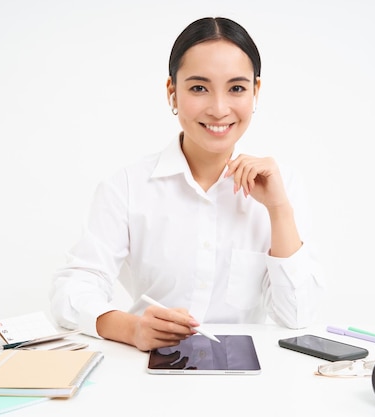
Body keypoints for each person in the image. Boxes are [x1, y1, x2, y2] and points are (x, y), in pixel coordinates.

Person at [50, 16, 324, 352]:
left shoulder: (282, 186)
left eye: (236, 88)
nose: (219, 108)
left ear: (256, 92)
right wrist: (133, 328)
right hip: (147, 371)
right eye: (198, 88)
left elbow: (298, 316)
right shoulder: (127, 186)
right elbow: (72, 291)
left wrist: (279, 209)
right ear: (172, 93)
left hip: (247, 379)